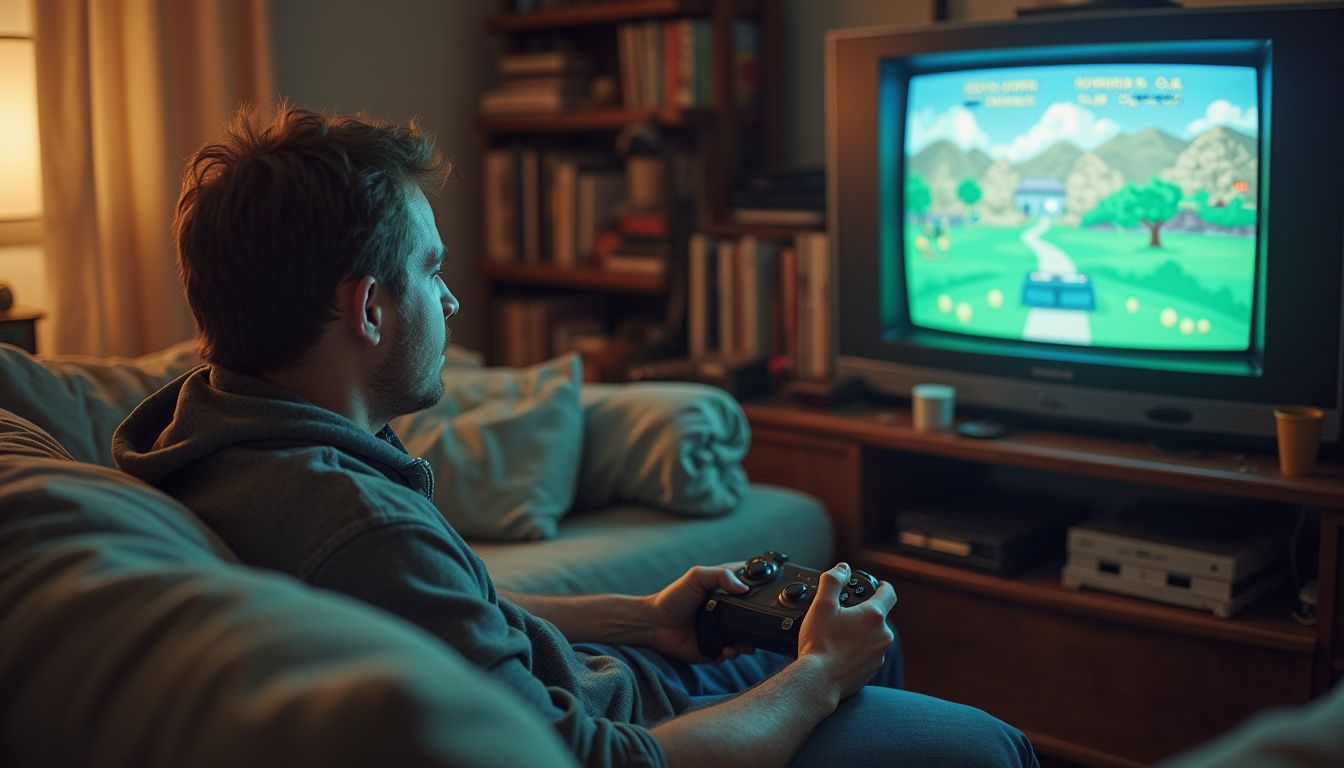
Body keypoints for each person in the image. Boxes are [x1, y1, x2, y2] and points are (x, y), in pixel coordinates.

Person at [114, 105, 1038, 768]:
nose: (451, 299)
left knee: (847, 641)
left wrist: (638, 614)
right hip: (641, 732)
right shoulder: (356, 523)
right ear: (367, 308)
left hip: (600, 680)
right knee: (981, 737)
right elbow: (608, 761)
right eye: (431, 269)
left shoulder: (198, 431)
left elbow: (442, 622)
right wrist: (817, 680)